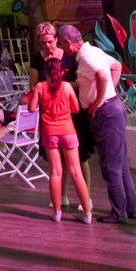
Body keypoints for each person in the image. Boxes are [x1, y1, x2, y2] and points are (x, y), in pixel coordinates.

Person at [60, 24, 136, 225]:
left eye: (62, 44)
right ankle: (131, 208)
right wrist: (109, 91)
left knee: (110, 165)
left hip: (105, 113)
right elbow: (116, 66)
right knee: (120, 162)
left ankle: (119, 212)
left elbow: (103, 76)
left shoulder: (87, 57)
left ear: (68, 42)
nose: (63, 49)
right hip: (113, 108)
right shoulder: (94, 51)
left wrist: (98, 101)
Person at [29, 47, 93, 223]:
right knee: (76, 172)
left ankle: (57, 211)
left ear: (45, 73)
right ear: (61, 72)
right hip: (68, 131)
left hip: (50, 133)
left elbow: (32, 108)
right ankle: (87, 213)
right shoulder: (66, 87)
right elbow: (76, 109)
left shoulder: (40, 87)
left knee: (56, 172)